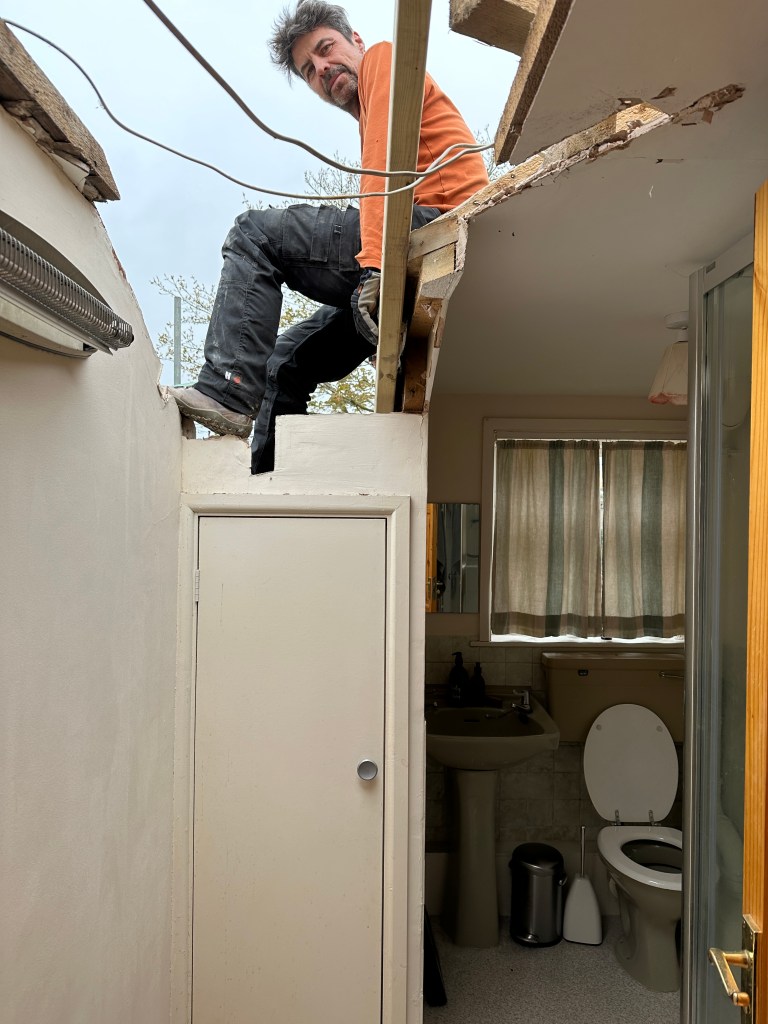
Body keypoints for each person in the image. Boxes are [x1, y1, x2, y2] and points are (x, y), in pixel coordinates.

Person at [168, 1, 489, 473]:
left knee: (254, 233)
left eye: (326, 49)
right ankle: (268, 486)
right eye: (309, 70)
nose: (322, 69)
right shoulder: (367, 105)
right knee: (285, 362)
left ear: (354, 41)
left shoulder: (385, 59)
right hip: (415, 243)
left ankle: (227, 390)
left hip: (435, 230)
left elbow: (384, 173)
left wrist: (375, 267)